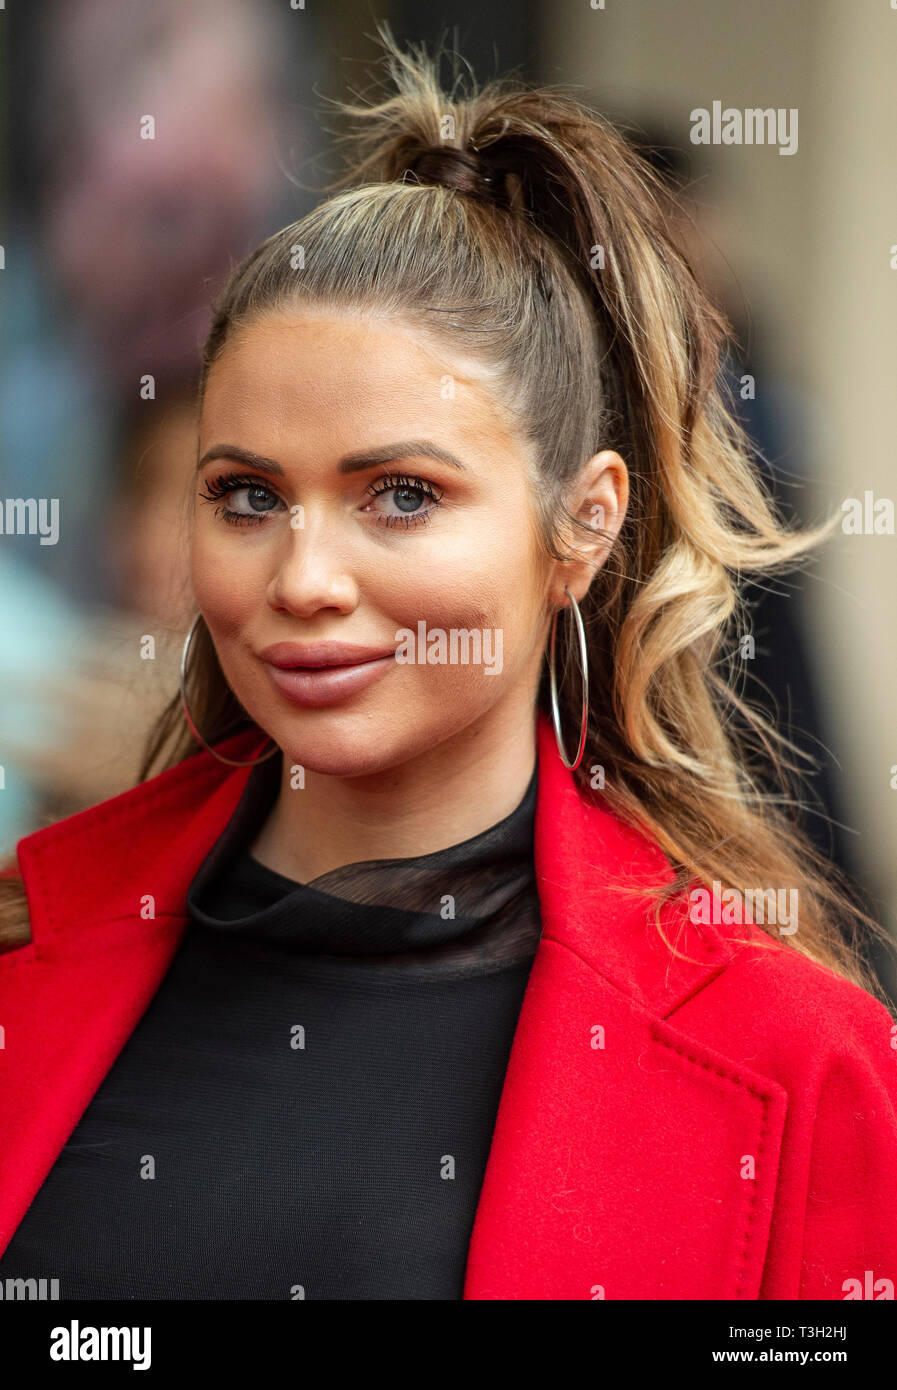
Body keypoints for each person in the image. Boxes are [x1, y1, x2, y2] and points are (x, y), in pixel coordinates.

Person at [0, 28, 895, 1301]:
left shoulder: (804, 1071)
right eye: (246, 495)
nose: (303, 578)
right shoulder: (26, 946)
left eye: (402, 495)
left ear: (584, 524)